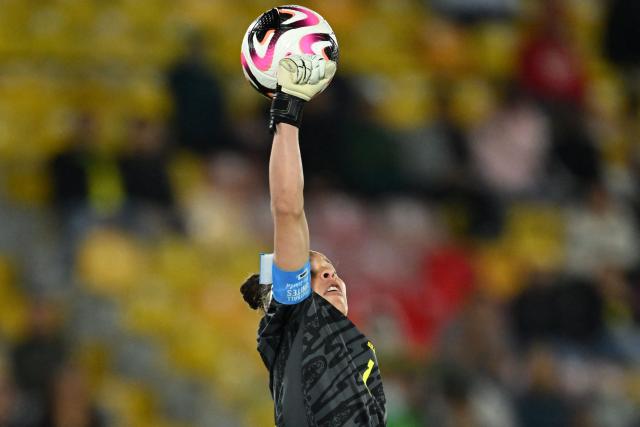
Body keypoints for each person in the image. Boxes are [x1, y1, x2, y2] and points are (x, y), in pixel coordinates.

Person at [240, 54, 387, 426]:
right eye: (313, 271)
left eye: (332, 269)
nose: (329, 275)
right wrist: (287, 115)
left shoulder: (359, 353)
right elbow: (288, 208)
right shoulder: (299, 322)